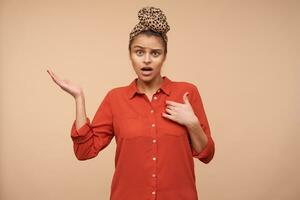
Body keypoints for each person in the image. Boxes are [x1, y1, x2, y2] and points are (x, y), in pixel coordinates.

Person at [47, 6, 215, 200]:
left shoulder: (186, 92)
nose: (146, 60)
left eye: (155, 53)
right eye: (139, 52)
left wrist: (192, 124)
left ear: (164, 57)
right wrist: (79, 99)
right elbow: (84, 151)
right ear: (130, 55)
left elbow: (207, 154)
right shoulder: (115, 99)